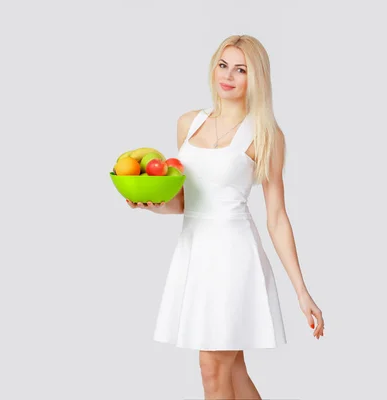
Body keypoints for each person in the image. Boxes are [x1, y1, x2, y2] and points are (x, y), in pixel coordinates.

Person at [126, 34, 325, 399]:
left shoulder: (266, 134)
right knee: (232, 370)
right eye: (223, 65)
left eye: (241, 69)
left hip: (234, 258)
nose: (228, 76)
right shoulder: (189, 123)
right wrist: (152, 204)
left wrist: (302, 290)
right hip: (195, 254)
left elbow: (277, 216)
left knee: (212, 366)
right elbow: (188, 200)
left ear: (256, 78)